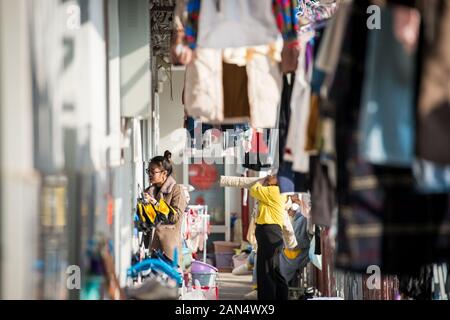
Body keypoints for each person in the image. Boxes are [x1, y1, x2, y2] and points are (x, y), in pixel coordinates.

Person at [144, 151, 187, 266]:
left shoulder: (177, 190)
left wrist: (155, 203)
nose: (150, 174)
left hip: (169, 251)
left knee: (170, 282)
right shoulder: (149, 191)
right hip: (152, 249)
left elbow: (174, 217)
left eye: (153, 172)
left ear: (164, 173)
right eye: (148, 171)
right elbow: (147, 221)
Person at [250, 175, 289, 300]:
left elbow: (254, 189)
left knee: (265, 270)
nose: (269, 177)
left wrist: (261, 181)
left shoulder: (274, 191)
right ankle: (281, 296)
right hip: (271, 233)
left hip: (269, 233)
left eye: (273, 176)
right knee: (274, 269)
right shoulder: (278, 192)